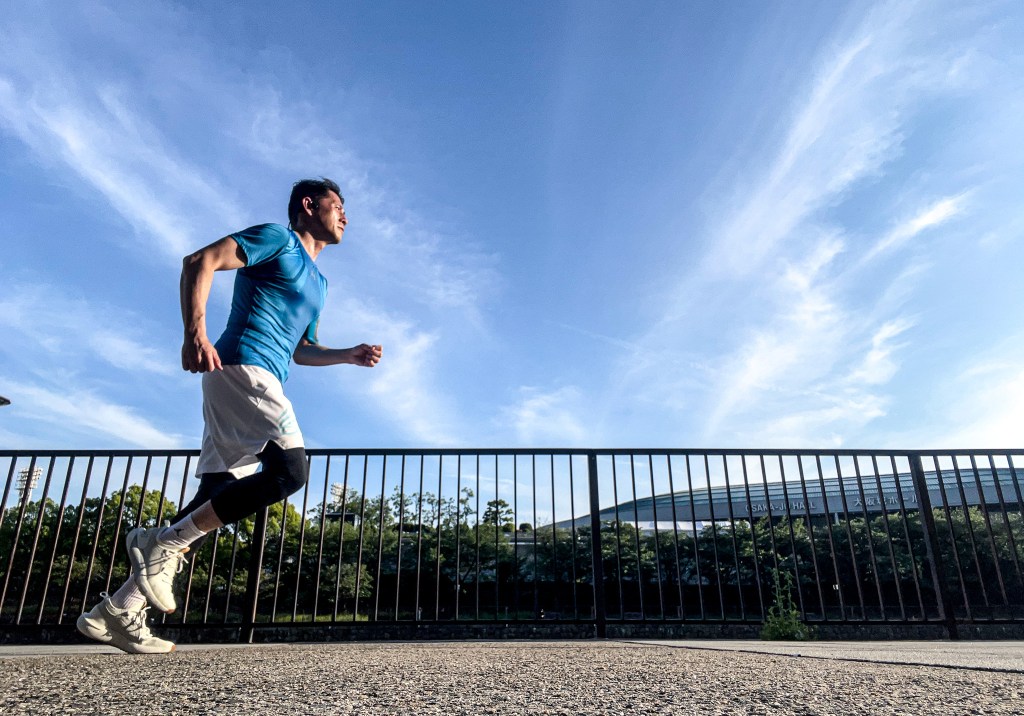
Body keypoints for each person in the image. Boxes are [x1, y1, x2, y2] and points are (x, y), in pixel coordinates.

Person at [77, 178, 382, 653]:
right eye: (336, 205)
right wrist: (194, 332)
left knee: (214, 499)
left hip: (255, 377)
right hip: (243, 366)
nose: (345, 215)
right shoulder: (278, 239)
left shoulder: (320, 283)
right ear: (308, 205)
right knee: (290, 472)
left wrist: (348, 355)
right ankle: (158, 544)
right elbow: (199, 261)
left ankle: (116, 611)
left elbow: (302, 349)